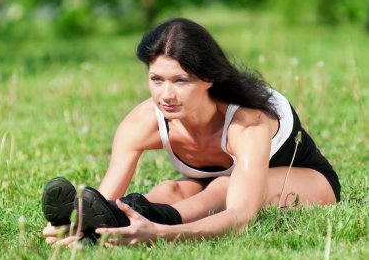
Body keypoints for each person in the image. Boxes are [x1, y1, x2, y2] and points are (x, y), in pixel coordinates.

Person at [42, 18, 340, 246]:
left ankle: (151, 220)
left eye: (181, 81)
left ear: (209, 78)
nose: (166, 95)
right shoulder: (142, 122)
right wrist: (81, 224)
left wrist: (162, 234)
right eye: (156, 79)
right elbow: (106, 195)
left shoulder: (247, 123)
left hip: (305, 180)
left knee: (223, 188)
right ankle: (125, 217)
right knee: (169, 191)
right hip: (216, 186)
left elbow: (239, 217)